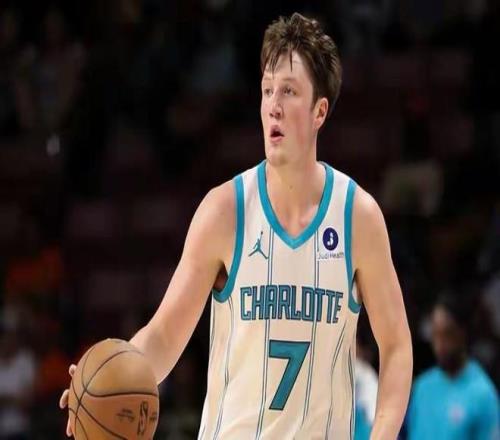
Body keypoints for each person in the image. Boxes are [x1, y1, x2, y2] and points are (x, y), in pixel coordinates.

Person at [60, 12, 412, 439]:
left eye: (289, 91)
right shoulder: (225, 210)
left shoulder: (358, 216)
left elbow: (396, 346)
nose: (273, 105)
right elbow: (165, 336)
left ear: (320, 110)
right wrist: (102, 380)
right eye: (267, 90)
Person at [406, 295, 500, 439]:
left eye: (447, 334)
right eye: (436, 335)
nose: (440, 345)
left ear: (462, 333)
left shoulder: (483, 394)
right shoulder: (421, 386)